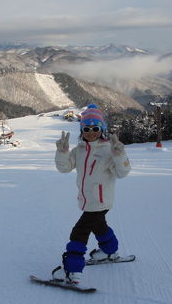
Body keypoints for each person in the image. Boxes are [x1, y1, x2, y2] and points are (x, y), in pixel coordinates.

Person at [51, 104, 131, 285]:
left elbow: (122, 173)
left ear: (101, 129)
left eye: (95, 128)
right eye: (87, 128)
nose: (91, 132)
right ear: (82, 130)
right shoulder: (79, 150)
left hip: (101, 201)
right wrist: (62, 153)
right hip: (87, 200)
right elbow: (64, 168)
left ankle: (72, 270)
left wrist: (120, 155)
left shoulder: (108, 150)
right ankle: (110, 251)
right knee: (99, 227)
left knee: (79, 232)